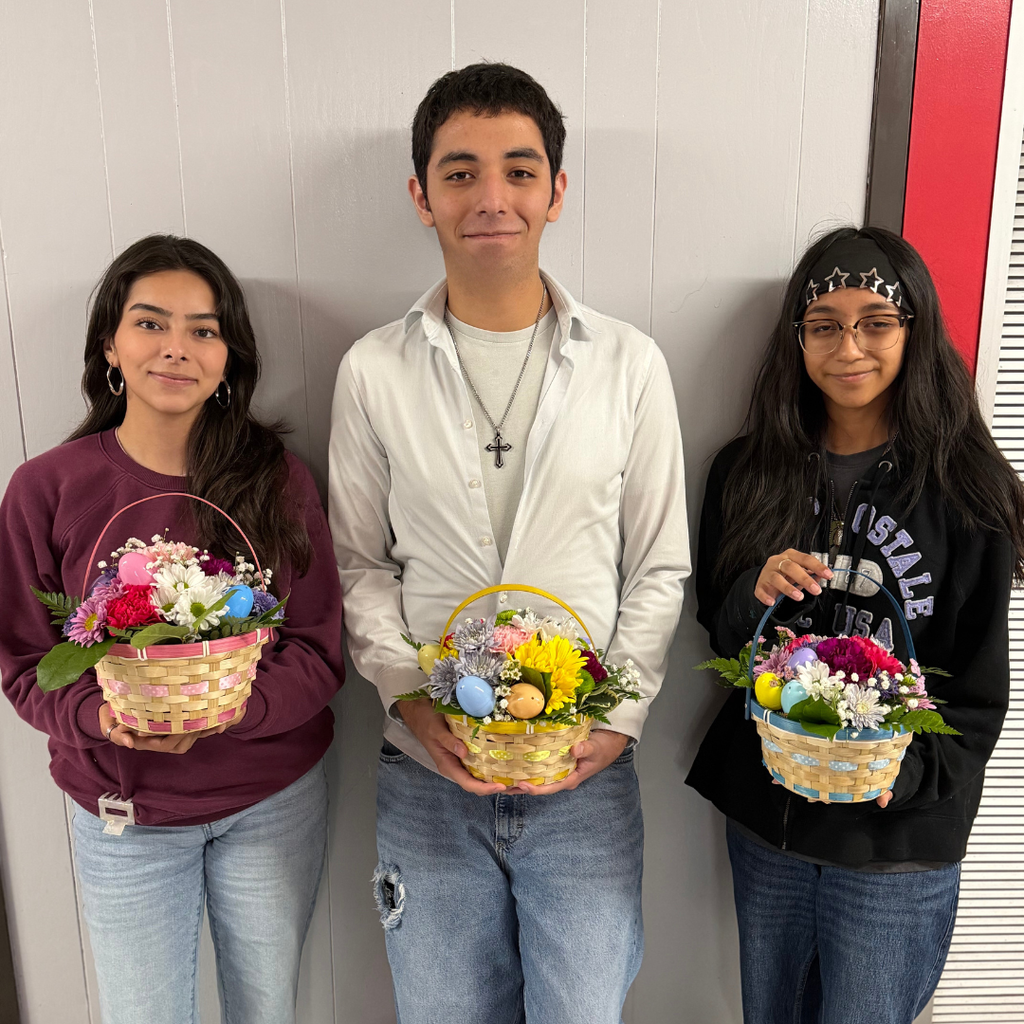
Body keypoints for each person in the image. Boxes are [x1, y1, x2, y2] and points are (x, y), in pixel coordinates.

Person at [329, 63, 689, 1022]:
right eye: (460, 173)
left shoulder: (628, 365)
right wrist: (406, 694)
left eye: (520, 171)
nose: (492, 198)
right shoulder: (374, 371)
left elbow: (657, 564)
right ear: (422, 196)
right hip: (427, 772)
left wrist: (622, 716)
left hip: (583, 779)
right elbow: (359, 563)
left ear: (556, 191)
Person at [0, 235, 344, 1024]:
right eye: (151, 324)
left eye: (204, 328)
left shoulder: (276, 481)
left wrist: (232, 711)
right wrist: (101, 717)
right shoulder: (46, 489)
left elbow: (320, 651)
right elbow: (26, 663)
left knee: (268, 1009)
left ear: (230, 356)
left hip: (270, 802)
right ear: (110, 346)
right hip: (126, 817)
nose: (177, 348)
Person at [686, 226, 1023, 1023]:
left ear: (916, 332)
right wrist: (753, 590)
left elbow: (977, 694)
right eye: (825, 324)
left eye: (877, 320)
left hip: (894, 850)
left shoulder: (969, 495)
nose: (850, 346)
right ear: (797, 339)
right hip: (770, 829)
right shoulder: (745, 471)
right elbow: (718, 627)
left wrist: (895, 781)